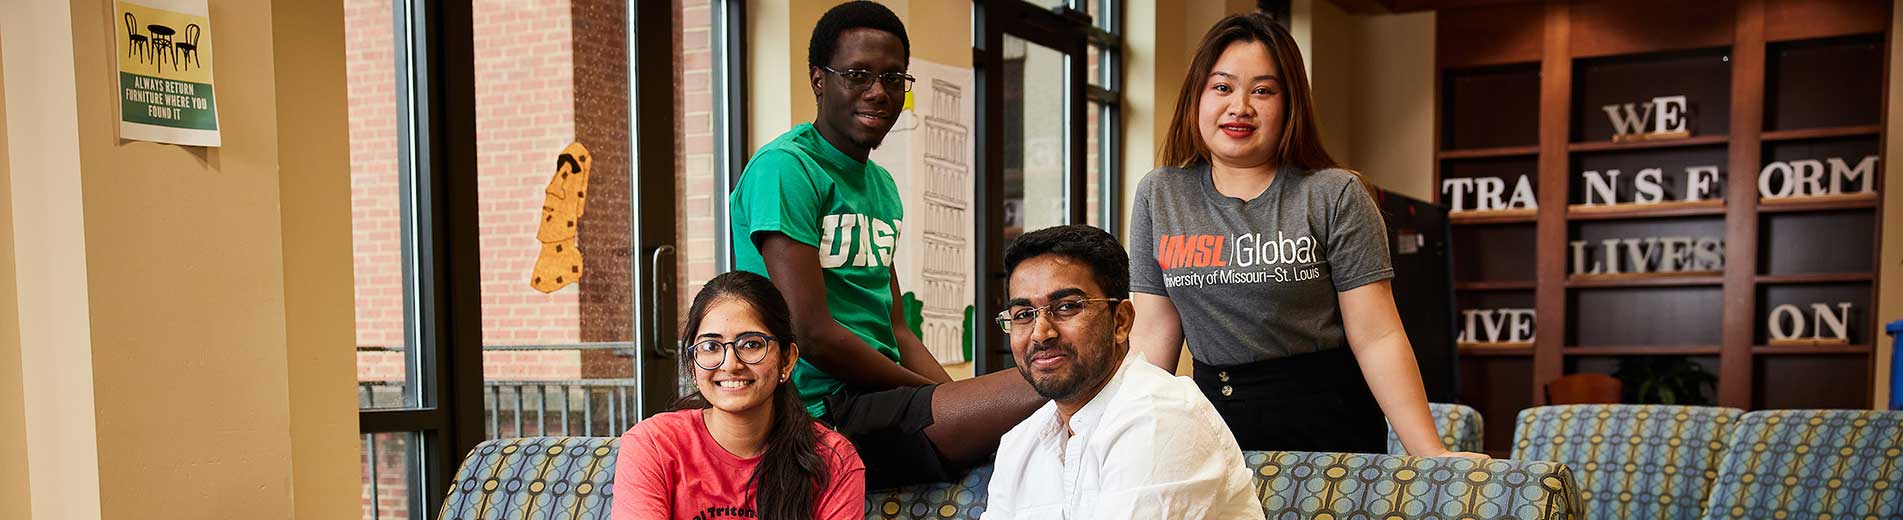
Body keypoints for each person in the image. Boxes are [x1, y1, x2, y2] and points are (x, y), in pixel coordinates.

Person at [1127, 12, 1485, 458]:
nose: (1240, 106)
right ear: (1196, 98)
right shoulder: (1160, 195)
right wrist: (1128, 440)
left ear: (1289, 102)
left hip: (1327, 423)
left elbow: (1377, 335)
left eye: (1262, 90)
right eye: (1222, 87)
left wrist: (1429, 452)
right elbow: (1150, 335)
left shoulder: (1335, 194)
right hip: (1213, 427)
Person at [727, 1, 1045, 489]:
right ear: (819, 79)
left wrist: (955, 396)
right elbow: (809, 332)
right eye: (857, 75)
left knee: (1050, 417)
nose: (878, 92)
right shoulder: (786, 168)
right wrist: (937, 397)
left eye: (894, 78)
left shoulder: (881, 185)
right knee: (1047, 388)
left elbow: (897, 328)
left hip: (877, 399)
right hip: (815, 411)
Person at [982, 225, 1264, 520]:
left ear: (1121, 322)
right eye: (1024, 315)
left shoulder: (1162, 417)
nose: (1041, 333)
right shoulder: (1020, 442)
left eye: (1066, 307)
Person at [613, 271, 865, 520]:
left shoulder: (833, 459)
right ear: (693, 363)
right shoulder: (653, 445)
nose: (731, 364)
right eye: (711, 346)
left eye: (751, 344)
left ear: (787, 360)